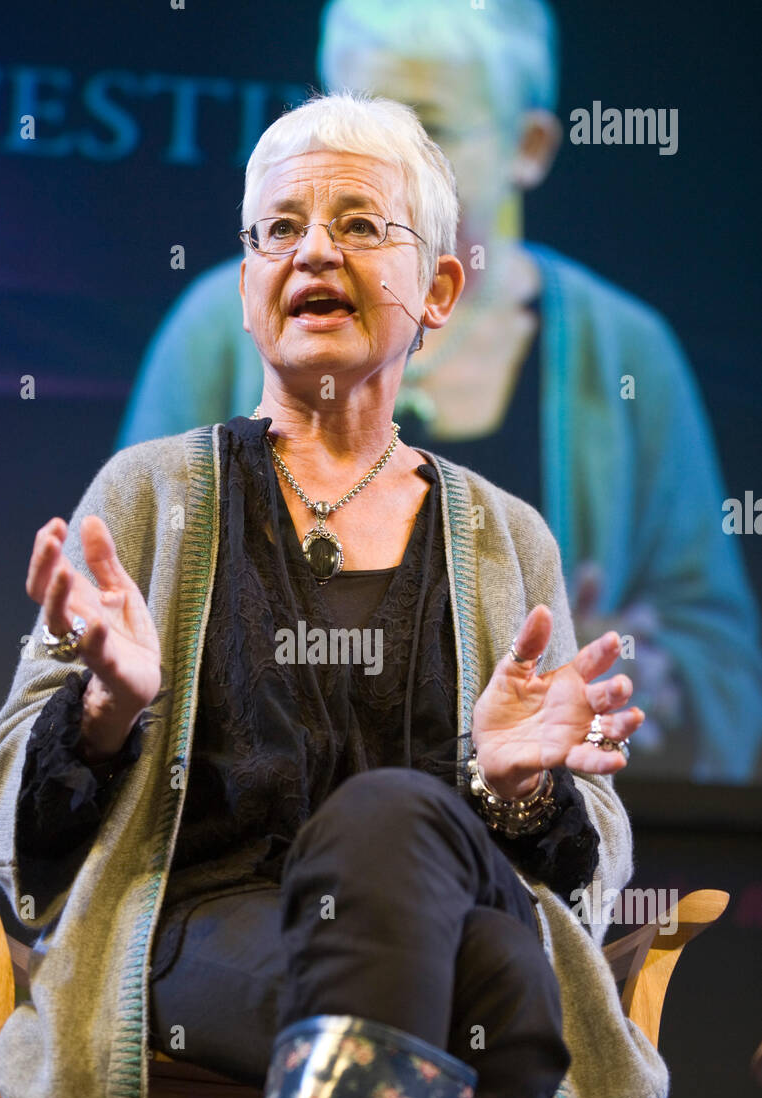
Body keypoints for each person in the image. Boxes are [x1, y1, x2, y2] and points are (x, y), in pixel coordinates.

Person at [0, 92, 669, 1098]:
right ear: (247, 288)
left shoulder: (508, 540)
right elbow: (14, 829)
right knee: (497, 982)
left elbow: (585, 852)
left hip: (447, 928)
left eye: (359, 223)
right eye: (278, 228)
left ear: (439, 292)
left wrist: (517, 792)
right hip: (204, 930)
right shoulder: (148, 495)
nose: (312, 253)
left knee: (466, 919)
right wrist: (105, 712)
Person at [116, 0, 762, 784]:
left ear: (526, 147)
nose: (380, 167)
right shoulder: (223, 324)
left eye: (427, 130)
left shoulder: (624, 351)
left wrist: (614, 674)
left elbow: (718, 658)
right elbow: (128, 608)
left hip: (522, 842)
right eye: (356, 121)